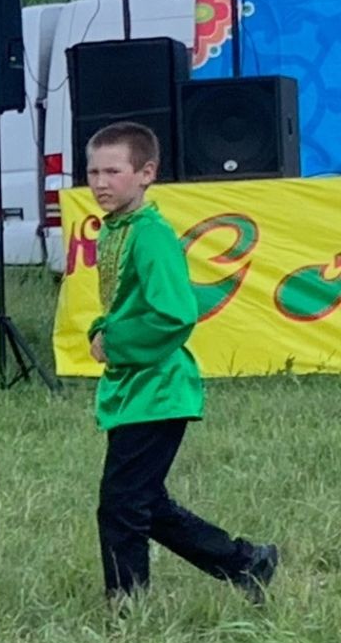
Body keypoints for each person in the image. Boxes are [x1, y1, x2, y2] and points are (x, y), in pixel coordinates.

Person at [84, 122, 277, 604]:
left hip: (158, 389)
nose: (101, 182)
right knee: (145, 502)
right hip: (135, 388)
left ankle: (128, 605)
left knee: (122, 505)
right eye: (93, 172)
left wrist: (117, 341)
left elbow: (175, 312)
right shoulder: (117, 230)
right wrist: (99, 331)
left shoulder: (151, 235)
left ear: (146, 173)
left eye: (113, 171)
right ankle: (244, 561)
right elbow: (122, 304)